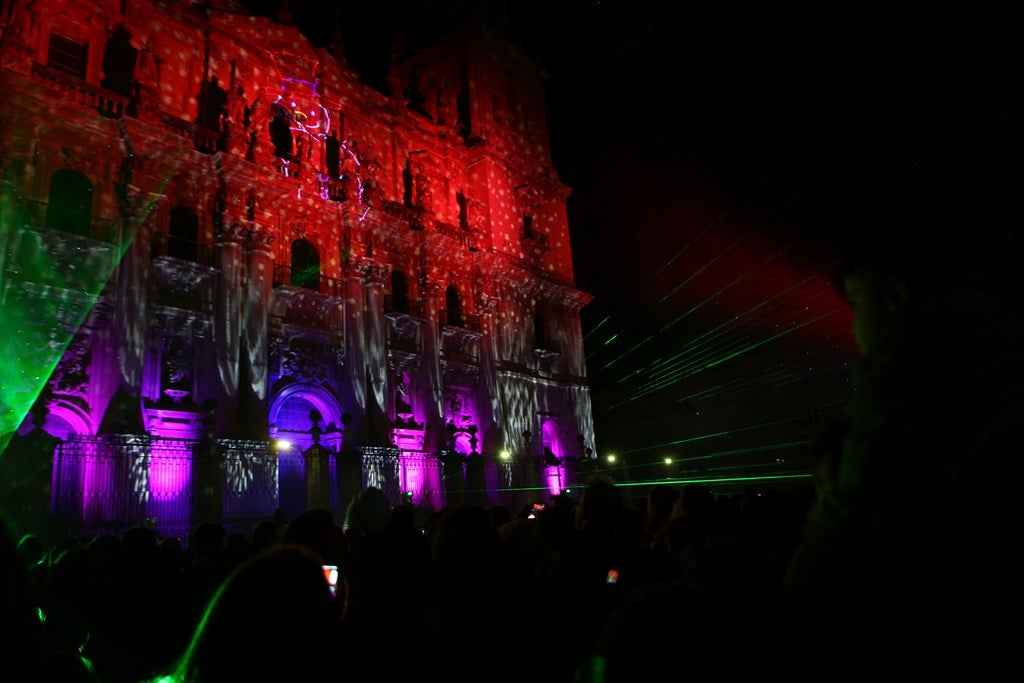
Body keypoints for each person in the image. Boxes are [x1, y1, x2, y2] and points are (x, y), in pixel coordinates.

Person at [782, 225, 1024, 682]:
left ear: (894, 295)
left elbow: (853, 523)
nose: (854, 324)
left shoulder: (907, 365)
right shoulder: (998, 341)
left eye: (856, 302)